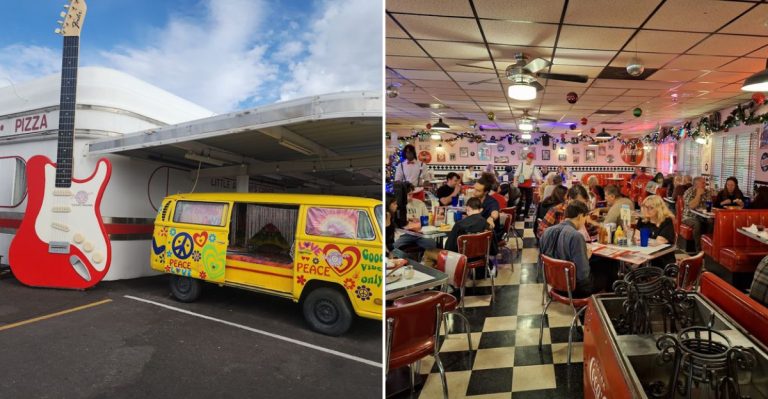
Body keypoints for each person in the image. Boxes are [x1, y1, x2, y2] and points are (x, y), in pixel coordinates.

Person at [539, 201, 611, 297]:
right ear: (580, 216)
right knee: (608, 267)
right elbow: (583, 275)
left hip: (553, 283)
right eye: (585, 218)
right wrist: (586, 258)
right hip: (574, 289)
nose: (585, 221)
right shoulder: (576, 236)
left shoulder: (547, 232)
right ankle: (602, 306)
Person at [634, 195, 677, 268]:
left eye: (651, 208)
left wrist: (643, 240)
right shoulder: (643, 220)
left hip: (661, 259)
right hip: (643, 255)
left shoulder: (666, 221)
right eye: (645, 206)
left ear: (658, 209)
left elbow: (658, 243)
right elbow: (636, 238)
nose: (646, 210)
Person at [392, 183, 436, 251]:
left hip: (420, 234)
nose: (410, 197)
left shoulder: (420, 203)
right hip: (403, 234)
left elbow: (427, 219)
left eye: (411, 194)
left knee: (432, 244)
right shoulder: (397, 205)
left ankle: (424, 258)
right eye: (408, 195)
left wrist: (419, 223)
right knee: (395, 246)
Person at [681, 177, 716, 253]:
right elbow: (691, 206)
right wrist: (698, 195)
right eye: (703, 183)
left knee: (711, 222)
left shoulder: (707, 192)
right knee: (697, 223)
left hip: (702, 216)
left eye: (705, 183)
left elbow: (709, 205)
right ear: (696, 184)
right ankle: (698, 250)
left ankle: (707, 248)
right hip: (688, 216)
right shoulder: (689, 191)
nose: (705, 184)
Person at [513, 152, 543, 218]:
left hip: (528, 183)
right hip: (521, 182)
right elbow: (516, 174)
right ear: (527, 158)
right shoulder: (521, 164)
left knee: (529, 199)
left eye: (532, 158)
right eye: (529, 158)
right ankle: (518, 213)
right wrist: (515, 183)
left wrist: (540, 182)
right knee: (520, 199)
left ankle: (526, 213)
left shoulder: (533, 166)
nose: (530, 160)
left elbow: (537, 175)